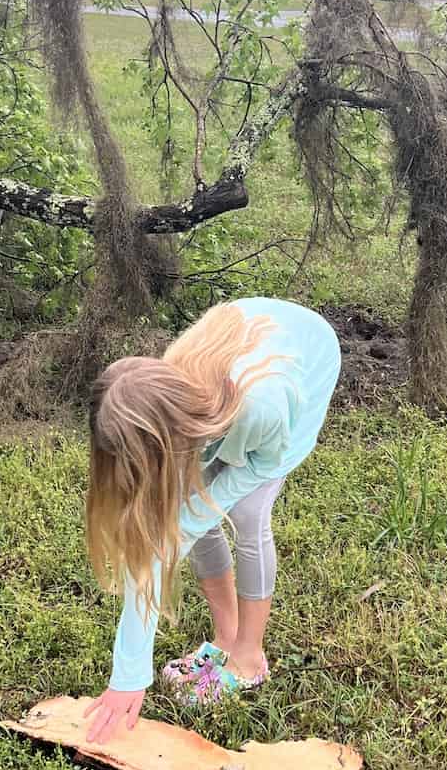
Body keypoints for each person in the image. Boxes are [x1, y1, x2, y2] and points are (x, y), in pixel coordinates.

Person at [83, 298, 341, 743]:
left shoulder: (263, 404)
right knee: (186, 509)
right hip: (231, 384)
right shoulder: (164, 395)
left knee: (246, 512)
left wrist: (192, 517)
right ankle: (225, 637)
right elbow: (154, 551)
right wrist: (129, 673)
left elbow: (264, 462)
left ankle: (248, 658)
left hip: (305, 359)